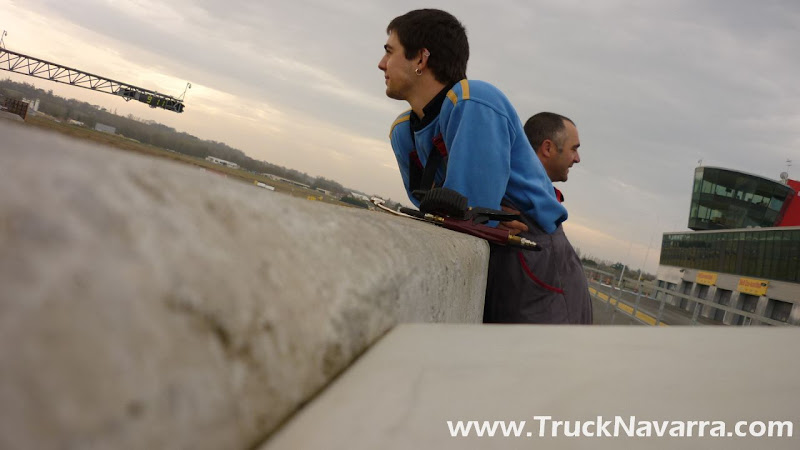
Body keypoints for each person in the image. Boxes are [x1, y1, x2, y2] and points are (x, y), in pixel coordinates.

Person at [379, 9, 591, 324]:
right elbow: (445, 214)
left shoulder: (473, 100)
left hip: (538, 264)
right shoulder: (404, 133)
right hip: (498, 257)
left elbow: (469, 217)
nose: (382, 63)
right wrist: (476, 216)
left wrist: (476, 216)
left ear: (421, 59)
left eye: (389, 51)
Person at [524, 112, 581, 202]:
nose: (577, 159)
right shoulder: (516, 197)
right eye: (573, 149)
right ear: (548, 148)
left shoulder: (509, 186)